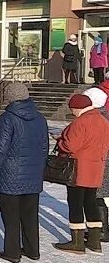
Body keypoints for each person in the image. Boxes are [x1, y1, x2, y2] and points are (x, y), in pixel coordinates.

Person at [0, 83, 49, 262]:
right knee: (30, 215)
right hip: (32, 176)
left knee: (11, 217)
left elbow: (0, 150)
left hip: (9, 176)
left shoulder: (7, 118)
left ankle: (12, 252)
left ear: (10, 98)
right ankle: (32, 250)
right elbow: (44, 147)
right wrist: (39, 170)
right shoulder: (39, 118)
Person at [53, 94, 109, 254]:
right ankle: (95, 241)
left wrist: (60, 140)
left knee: (75, 204)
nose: (73, 113)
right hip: (96, 168)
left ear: (78, 108)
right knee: (91, 203)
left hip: (79, 170)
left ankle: (77, 243)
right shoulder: (103, 121)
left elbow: (70, 145)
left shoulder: (81, 122)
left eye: (73, 110)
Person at [83, 87, 109, 243]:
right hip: (103, 159)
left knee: (96, 196)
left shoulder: (97, 118)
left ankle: (101, 230)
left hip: (100, 161)